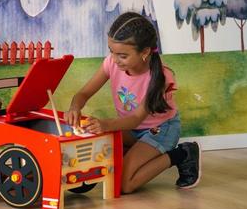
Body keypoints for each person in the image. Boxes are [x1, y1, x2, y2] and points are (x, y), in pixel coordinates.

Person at [65, 12, 201, 193]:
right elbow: (84, 93)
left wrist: (106, 125)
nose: (114, 59)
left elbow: (137, 118)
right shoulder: (112, 63)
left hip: (160, 130)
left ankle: (182, 154)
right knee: (100, 149)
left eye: (122, 55)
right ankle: (133, 153)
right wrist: (75, 107)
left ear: (144, 52)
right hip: (131, 130)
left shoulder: (161, 77)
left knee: (123, 185)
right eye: (111, 51)